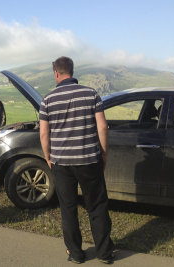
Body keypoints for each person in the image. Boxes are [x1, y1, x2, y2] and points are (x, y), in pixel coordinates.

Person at [39, 57, 114, 264]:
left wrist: (48, 156)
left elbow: (44, 134)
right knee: (97, 206)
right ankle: (105, 253)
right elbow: (103, 127)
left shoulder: (48, 99)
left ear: (56, 73)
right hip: (90, 159)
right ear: (72, 71)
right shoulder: (91, 93)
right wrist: (104, 153)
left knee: (68, 208)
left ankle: (75, 253)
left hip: (62, 163)